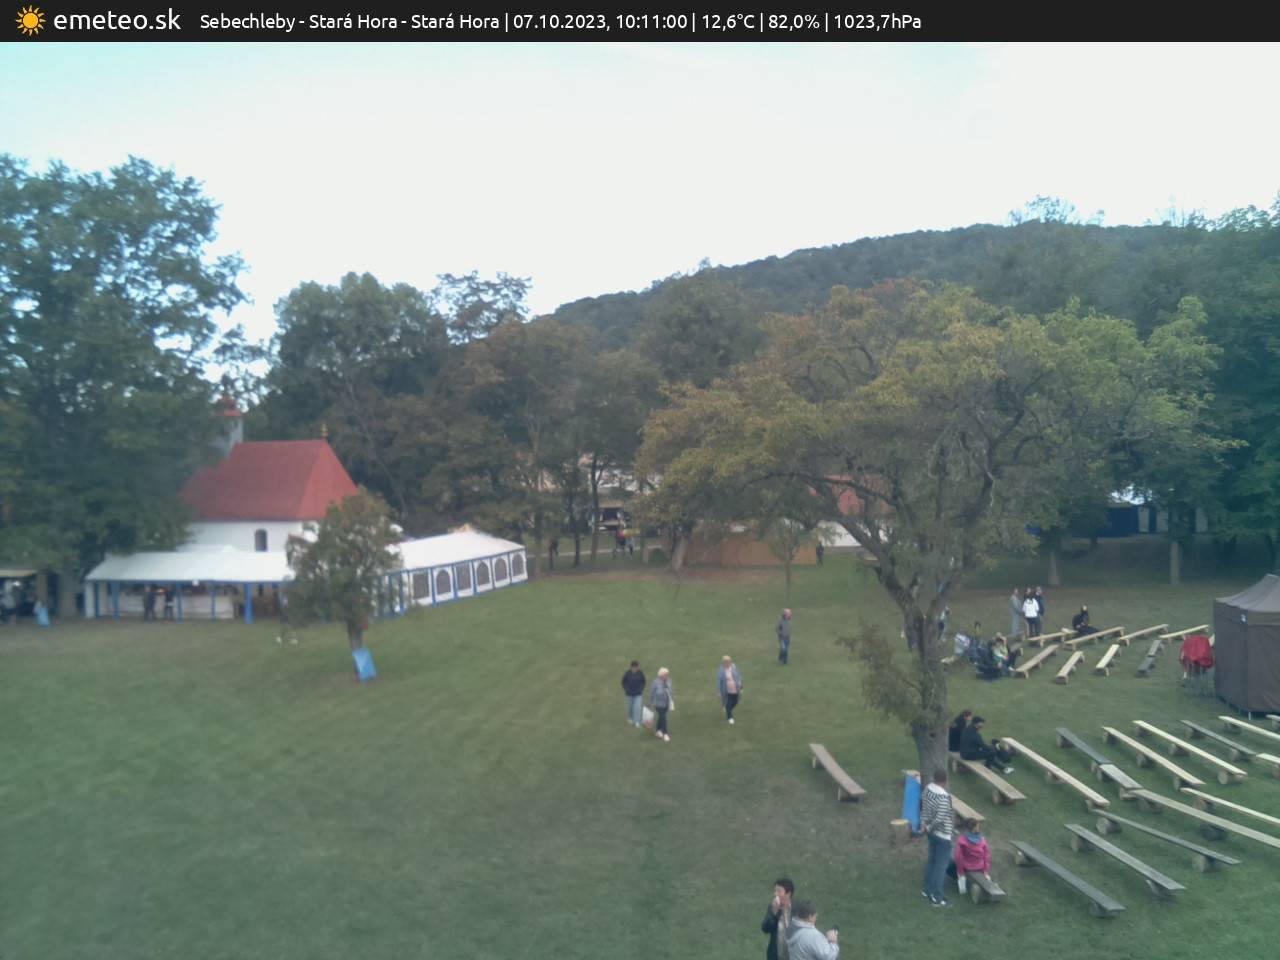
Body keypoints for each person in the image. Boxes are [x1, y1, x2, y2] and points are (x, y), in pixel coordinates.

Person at [920, 768, 955, 907]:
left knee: (931, 861)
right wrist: (929, 827)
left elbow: (923, 808)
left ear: (934, 778)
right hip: (942, 835)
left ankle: (926, 890)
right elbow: (940, 818)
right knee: (941, 866)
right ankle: (937, 897)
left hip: (931, 834)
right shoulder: (944, 797)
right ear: (945, 781)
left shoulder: (927, 789)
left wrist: (924, 824)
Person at [947, 818, 993, 896]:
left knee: (949, 862)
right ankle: (986, 879)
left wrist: (960, 872)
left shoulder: (962, 840)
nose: (979, 828)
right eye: (978, 826)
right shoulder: (982, 840)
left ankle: (961, 879)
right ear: (974, 828)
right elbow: (986, 855)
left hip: (966, 866)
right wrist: (985, 870)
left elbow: (958, 857)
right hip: (979, 866)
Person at [761, 877, 794, 960]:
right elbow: (765, 928)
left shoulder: (797, 909)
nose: (775, 894)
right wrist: (774, 912)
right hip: (776, 956)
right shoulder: (772, 908)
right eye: (775, 891)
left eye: (779, 891)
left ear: (788, 894)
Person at [649, 667, 674, 742]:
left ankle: (658, 731)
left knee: (661, 717)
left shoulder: (669, 681)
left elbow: (671, 690)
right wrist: (650, 702)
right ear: (661, 675)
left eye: (667, 674)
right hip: (658, 703)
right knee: (663, 717)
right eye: (665, 674)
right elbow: (652, 692)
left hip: (666, 702)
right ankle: (665, 734)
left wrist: (671, 697)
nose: (667, 676)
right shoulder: (656, 682)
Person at [717, 655, 743, 724]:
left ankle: (727, 709)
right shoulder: (721, 670)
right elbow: (719, 681)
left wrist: (740, 686)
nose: (729, 663)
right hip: (727, 690)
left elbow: (739, 675)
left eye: (729, 662)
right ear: (724, 663)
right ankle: (730, 717)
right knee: (728, 703)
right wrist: (719, 691)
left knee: (736, 702)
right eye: (727, 662)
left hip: (735, 689)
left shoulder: (734, 666)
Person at [621, 660, 646, 727]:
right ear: (632, 667)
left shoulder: (640, 673)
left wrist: (641, 688)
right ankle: (630, 717)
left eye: (637, 667)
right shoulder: (627, 673)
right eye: (635, 667)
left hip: (638, 694)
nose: (636, 668)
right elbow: (623, 682)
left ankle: (637, 721)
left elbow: (643, 682)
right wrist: (626, 689)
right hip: (629, 694)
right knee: (630, 707)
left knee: (637, 707)